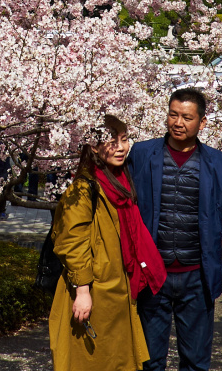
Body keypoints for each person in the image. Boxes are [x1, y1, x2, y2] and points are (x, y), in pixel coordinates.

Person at [128, 88, 222, 371]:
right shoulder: (141, 153)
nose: (178, 122)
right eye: (173, 114)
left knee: (196, 362)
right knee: (148, 361)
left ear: (202, 122)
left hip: (197, 276)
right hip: (153, 274)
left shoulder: (216, 162)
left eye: (187, 117)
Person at [50, 116, 161, 371]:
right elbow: (72, 242)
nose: (121, 147)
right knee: (93, 361)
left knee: (116, 359)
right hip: (95, 289)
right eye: (112, 142)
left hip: (116, 286)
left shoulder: (118, 180)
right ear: (93, 146)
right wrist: (82, 291)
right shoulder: (84, 187)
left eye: (124, 139)